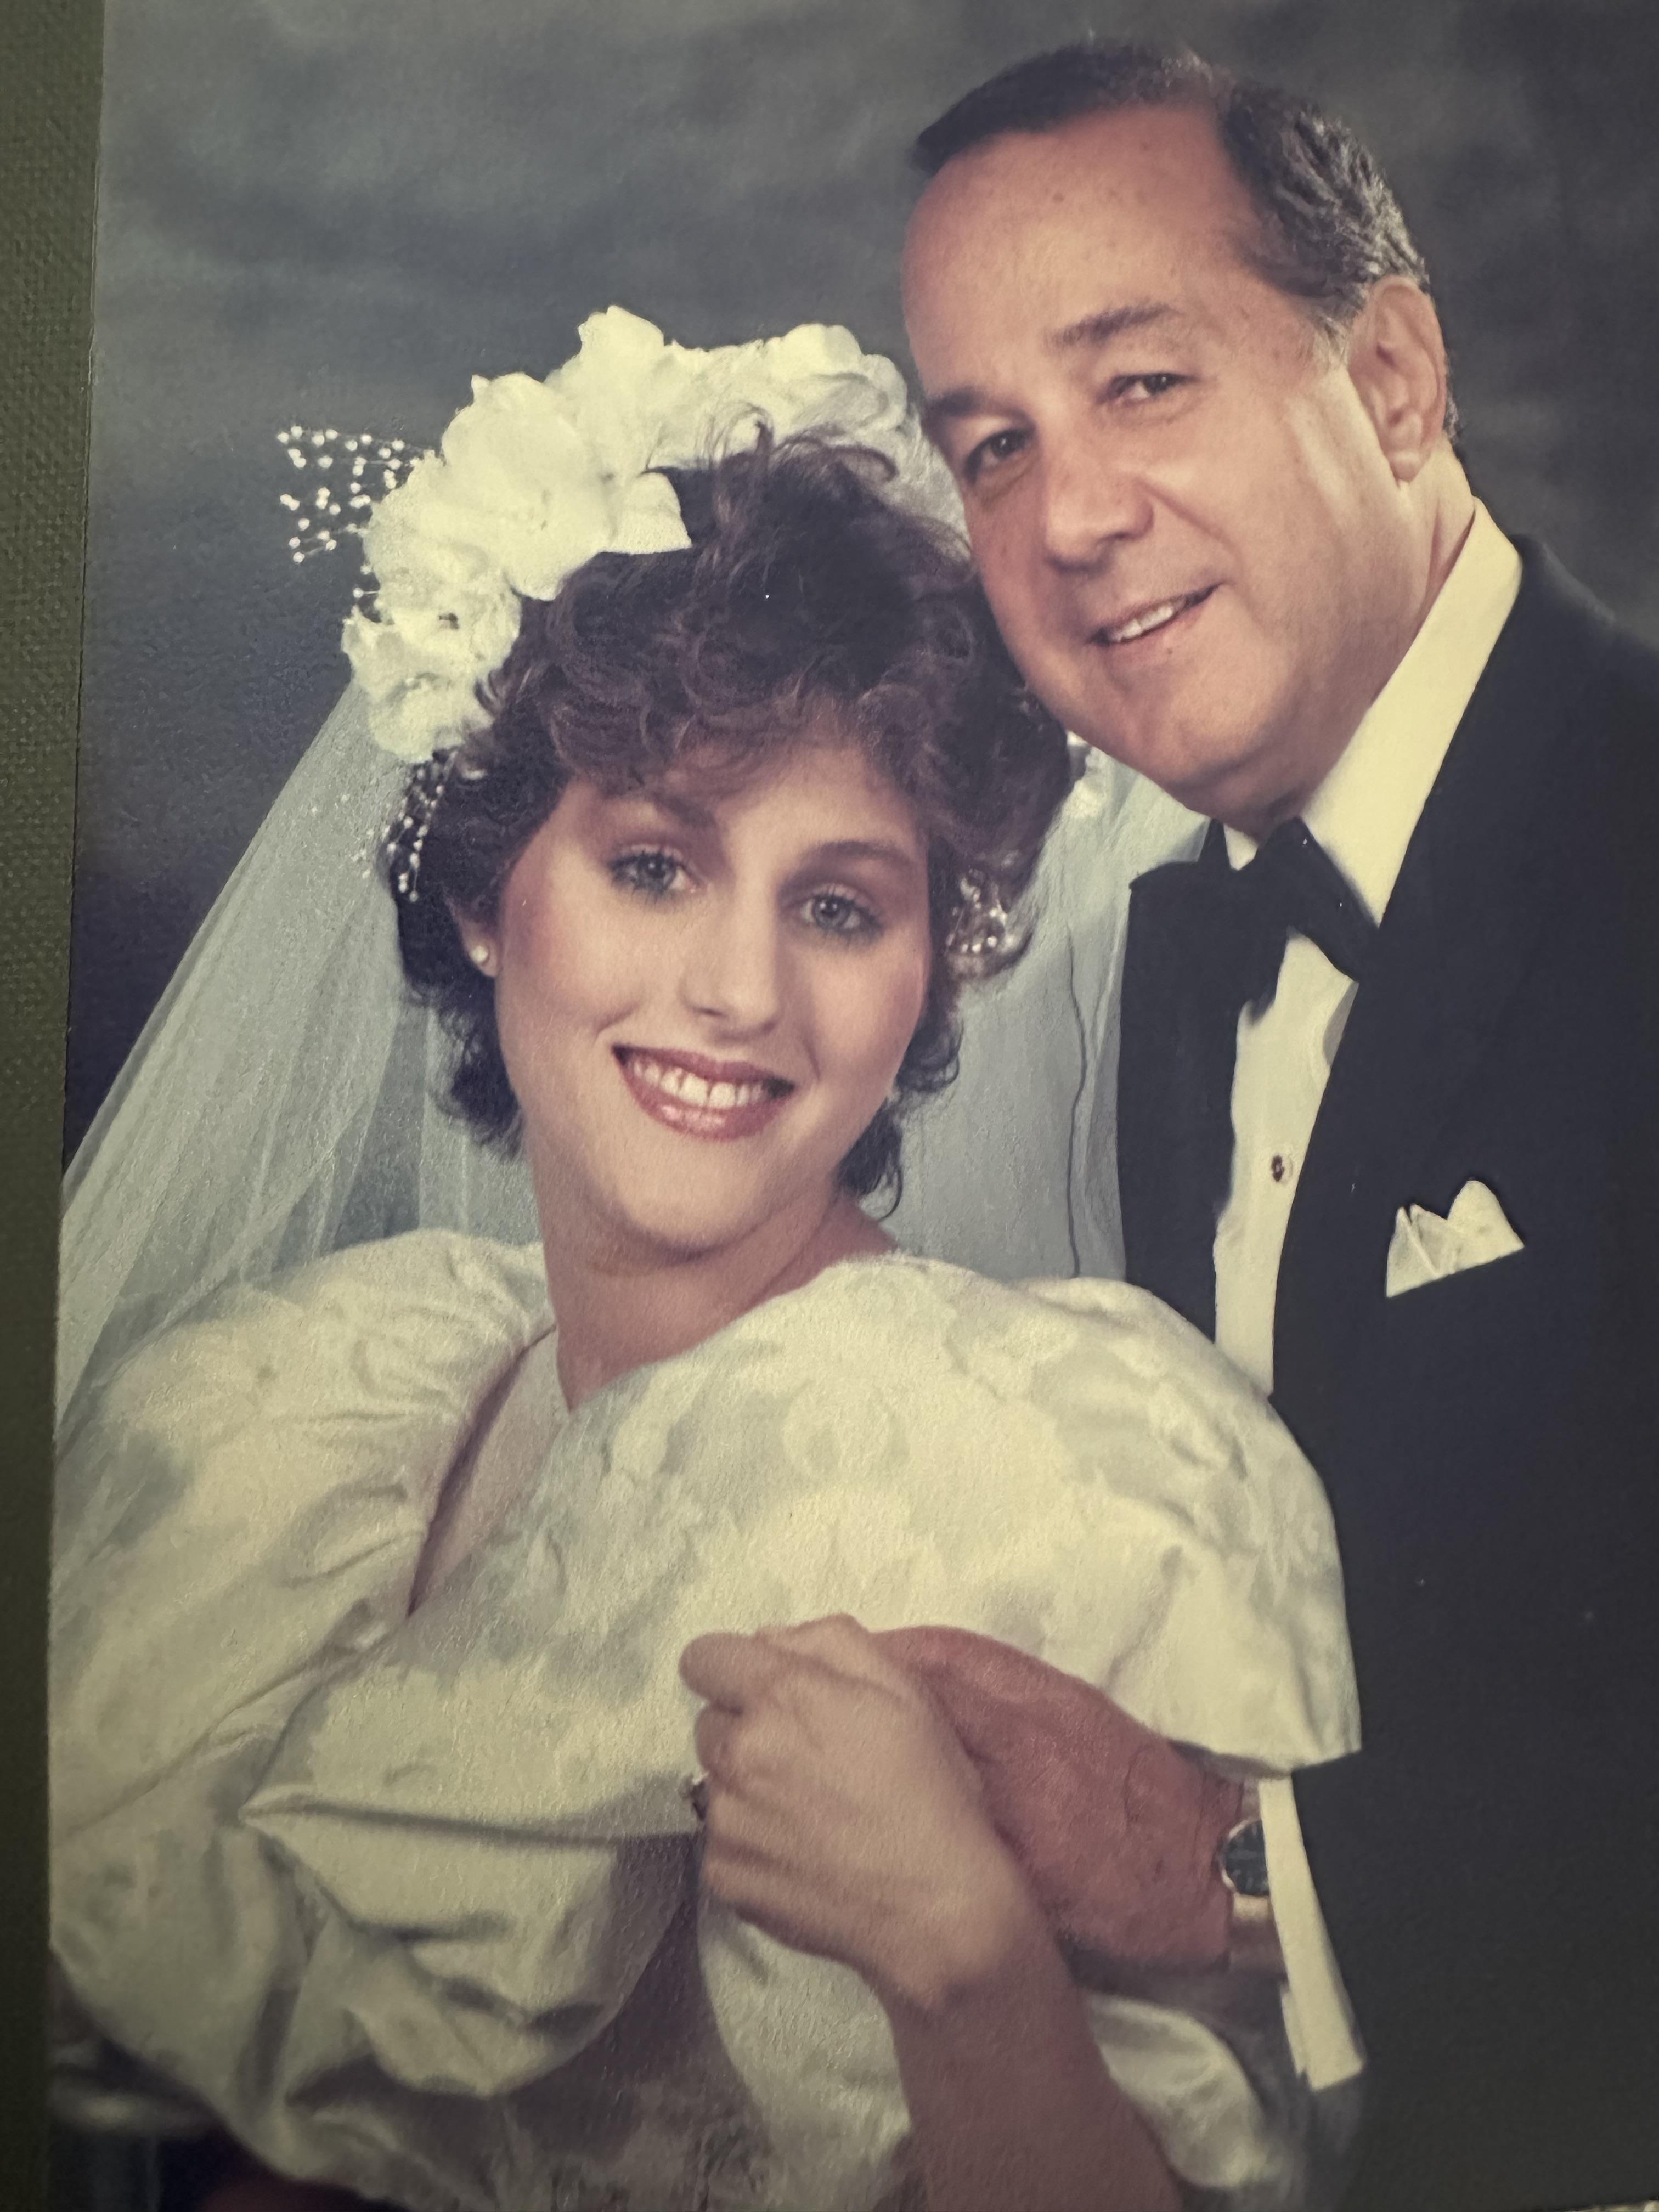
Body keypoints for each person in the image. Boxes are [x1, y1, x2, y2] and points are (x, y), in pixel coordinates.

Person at [51, 315, 1358, 2212]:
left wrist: (967, 1959)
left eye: (839, 904)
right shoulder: (321, 1414)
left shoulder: (1072, 1467)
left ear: (930, 975)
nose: (743, 993)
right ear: (491, 897)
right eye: (656, 866)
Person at [883, 40, 1659, 2212]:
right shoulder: (1169, 964)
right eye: (993, 445)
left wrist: (1227, 1865)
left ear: (1395, 377)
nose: (1065, 514)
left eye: (1142, 384)